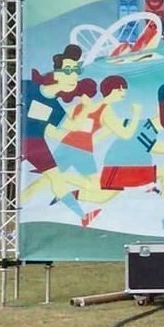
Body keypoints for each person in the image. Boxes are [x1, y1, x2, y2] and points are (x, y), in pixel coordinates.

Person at [20, 44, 102, 227]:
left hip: (36, 144)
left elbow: (71, 126)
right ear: (56, 74)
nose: (73, 75)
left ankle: (82, 216)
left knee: (56, 179)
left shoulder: (56, 109)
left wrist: (86, 109)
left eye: (76, 70)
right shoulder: (28, 87)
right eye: (68, 70)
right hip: (13, 139)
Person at [100, 83, 164, 193]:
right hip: (116, 171)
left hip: (116, 170)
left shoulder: (144, 126)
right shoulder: (145, 129)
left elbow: (117, 125)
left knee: (102, 198)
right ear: (158, 108)